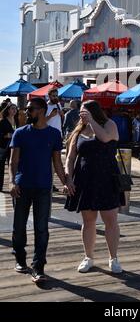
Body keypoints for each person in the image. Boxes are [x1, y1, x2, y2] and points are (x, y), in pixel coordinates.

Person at [9, 97, 74, 283]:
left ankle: (38, 267)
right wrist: (12, 182)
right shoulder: (20, 133)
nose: (27, 112)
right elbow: (13, 162)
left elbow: (57, 162)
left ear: (42, 111)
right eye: (27, 109)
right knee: (19, 227)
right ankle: (20, 259)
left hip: (44, 188)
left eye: (31, 109)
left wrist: (66, 181)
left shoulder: (54, 134)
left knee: (41, 229)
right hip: (22, 187)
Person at [64, 100, 124, 274]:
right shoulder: (78, 131)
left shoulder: (109, 125)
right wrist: (68, 179)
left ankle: (113, 258)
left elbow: (105, 138)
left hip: (107, 178)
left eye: (84, 112)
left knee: (110, 221)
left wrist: (91, 121)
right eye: (81, 113)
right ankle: (88, 257)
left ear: (93, 112)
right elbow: (70, 157)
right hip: (85, 180)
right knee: (88, 221)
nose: (81, 115)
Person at [46, 88, 64, 192]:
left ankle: (51, 184)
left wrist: (62, 114)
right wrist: (51, 115)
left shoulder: (58, 105)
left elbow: (60, 119)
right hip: (48, 136)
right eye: (53, 96)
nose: (56, 97)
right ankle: (48, 183)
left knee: (55, 162)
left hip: (58, 136)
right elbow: (42, 121)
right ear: (49, 96)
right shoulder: (45, 106)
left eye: (56, 95)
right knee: (48, 161)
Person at [0, 104, 18, 192]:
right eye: (12, 109)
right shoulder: (2, 121)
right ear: (8, 110)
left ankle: (14, 184)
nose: (15, 110)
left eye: (16, 109)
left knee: (13, 165)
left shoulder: (16, 120)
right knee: (1, 167)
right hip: (3, 146)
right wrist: (6, 135)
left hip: (12, 147)